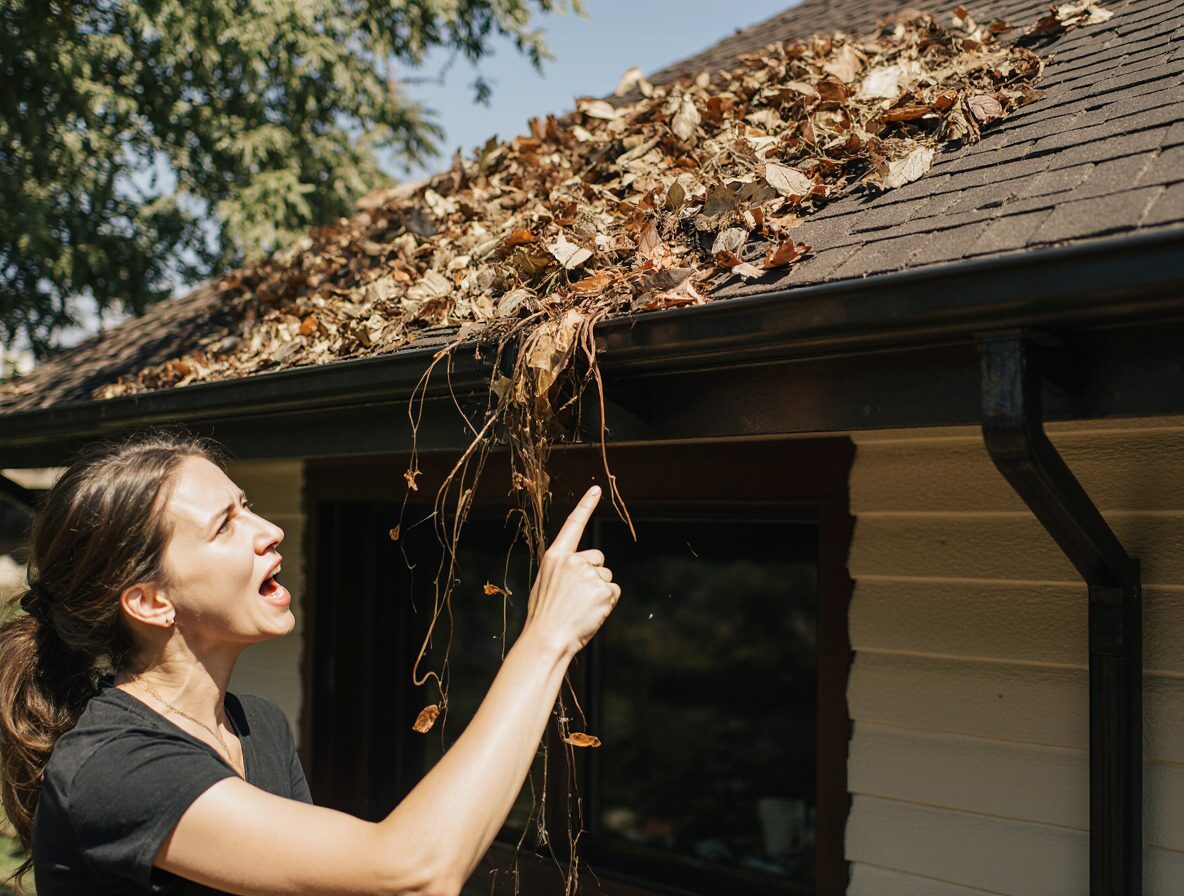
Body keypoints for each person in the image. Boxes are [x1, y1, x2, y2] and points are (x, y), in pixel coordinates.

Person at [0, 431, 619, 895]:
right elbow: (413, 869)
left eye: (247, 506)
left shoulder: (257, 728)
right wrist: (547, 638)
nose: (268, 529)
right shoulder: (115, 766)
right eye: (225, 526)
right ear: (151, 600)